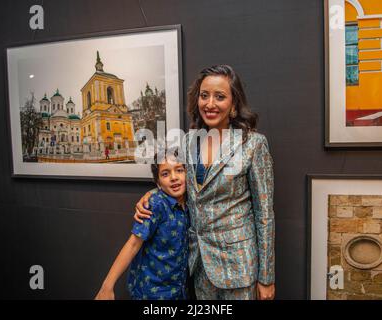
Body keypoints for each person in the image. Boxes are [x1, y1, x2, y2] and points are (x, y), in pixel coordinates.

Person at [134, 65, 275, 300]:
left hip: (239, 266)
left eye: (220, 96)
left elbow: (265, 215)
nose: (210, 104)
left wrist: (267, 277)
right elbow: (178, 182)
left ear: (234, 104)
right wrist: (151, 193)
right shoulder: (189, 141)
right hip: (198, 264)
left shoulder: (253, 144)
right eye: (204, 95)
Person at [95, 151, 189, 300]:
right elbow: (133, 244)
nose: (174, 177)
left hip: (179, 290)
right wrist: (107, 286)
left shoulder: (190, 203)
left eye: (179, 170)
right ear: (158, 183)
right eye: (165, 174)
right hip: (152, 292)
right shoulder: (155, 204)